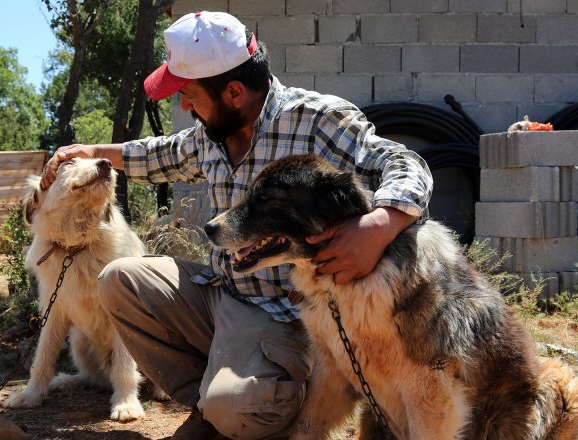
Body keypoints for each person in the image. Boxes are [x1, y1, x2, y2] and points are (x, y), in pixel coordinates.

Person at [40, 11, 433, 440]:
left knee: (240, 412)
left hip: (285, 314)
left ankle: (253, 403)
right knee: (119, 279)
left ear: (233, 91)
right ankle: (213, 402)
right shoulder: (211, 131)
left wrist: (380, 223)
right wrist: (87, 150)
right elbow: (157, 155)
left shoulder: (318, 120)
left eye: (188, 94)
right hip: (222, 293)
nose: (184, 105)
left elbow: (404, 162)